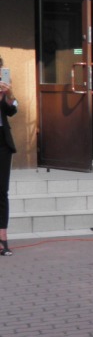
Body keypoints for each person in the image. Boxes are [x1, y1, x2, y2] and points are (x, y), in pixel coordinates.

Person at [0, 54, 17, 257]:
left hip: (3, 143)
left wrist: (7, 94)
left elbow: (12, 110)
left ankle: (2, 238)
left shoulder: (5, 85)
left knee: (2, 192)